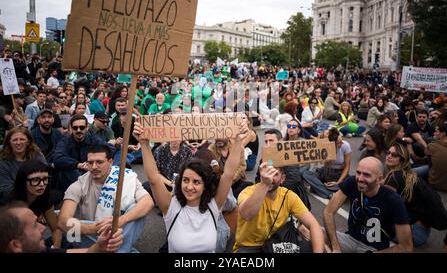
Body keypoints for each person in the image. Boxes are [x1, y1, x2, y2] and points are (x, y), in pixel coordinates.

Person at [134, 118, 248, 253]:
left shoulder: (214, 205)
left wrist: (238, 140)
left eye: (196, 182)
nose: (189, 186)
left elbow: (228, 174)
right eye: (186, 180)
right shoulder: (170, 207)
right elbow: (153, 179)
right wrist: (144, 144)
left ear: (205, 185)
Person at [58, 145, 153, 253]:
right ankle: (122, 250)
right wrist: (98, 228)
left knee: (136, 208)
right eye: (90, 162)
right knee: (73, 227)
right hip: (93, 235)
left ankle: (118, 249)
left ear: (110, 162)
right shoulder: (79, 184)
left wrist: (119, 222)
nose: (94, 167)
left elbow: (148, 202)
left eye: (99, 162)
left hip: (119, 232)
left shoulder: (125, 177)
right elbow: (62, 221)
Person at [323, 157, 413, 253]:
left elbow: (406, 247)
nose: (360, 179)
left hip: (373, 249)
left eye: (366, 175)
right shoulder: (352, 183)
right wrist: (336, 247)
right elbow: (328, 212)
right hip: (350, 240)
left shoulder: (393, 200)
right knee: (318, 233)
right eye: (358, 172)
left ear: (379, 179)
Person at [233, 162, 324, 253]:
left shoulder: (288, 196)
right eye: (267, 172)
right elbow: (247, 214)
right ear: (261, 175)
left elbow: (314, 225)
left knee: (316, 247)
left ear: (282, 178)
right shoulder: (248, 192)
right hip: (250, 247)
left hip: (275, 244)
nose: (270, 178)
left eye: (275, 174)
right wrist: (265, 184)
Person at [383, 143, 447, 247]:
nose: (389, 156)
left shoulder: (393, 177)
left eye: (394, 155)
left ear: (402, 159)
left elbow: (384, 207)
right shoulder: (410, 174)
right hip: (423, 233)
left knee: (371, 222)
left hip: (412, 235)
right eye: (388, 153)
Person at [0, 201, 123, 253]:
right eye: (34, 226)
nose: (43, 228)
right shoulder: (78, 183)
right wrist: (95, 229)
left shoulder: (35, 249)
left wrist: (100, 246)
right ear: (16, 245)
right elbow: (63, 222)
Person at [53, 114, 113, 193]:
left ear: (87, 127)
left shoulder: (94, 140)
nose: (78, 130)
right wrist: (78, 164)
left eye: (82, 127)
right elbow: (57, 158)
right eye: (75, 128)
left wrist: (94, 161)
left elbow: (110, 149)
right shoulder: (65, 141)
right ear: (71, 128)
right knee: (68, 169)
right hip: (71, 179)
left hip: (90, 172)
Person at [10, 160, 63, 248]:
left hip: (33, 240)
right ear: (23, 181)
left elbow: (56, 229)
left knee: (68, 239)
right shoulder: (11, 204)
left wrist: (55, 248)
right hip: (16, 244)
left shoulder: (44, 198)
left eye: (45, 179)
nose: (42, 184)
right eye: (35, 180)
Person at [0, 127, 47, 204]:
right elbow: (6, 191)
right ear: (9, 142)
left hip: (38, 194)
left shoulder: (37, 155)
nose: (18, 143)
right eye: (15, 140)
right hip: (11, 200)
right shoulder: (3, 161)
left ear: (28, 142)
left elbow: (46, 176)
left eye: (22, 139)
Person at [302, 128, 351, 199]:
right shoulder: (325, 146)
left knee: (348, 185)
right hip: (326, 172)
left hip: (339, 174)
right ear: (331, 144)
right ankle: (328, 193)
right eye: (339, 143)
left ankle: (319, 188)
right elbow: (320, 164)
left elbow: (347, 167)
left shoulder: (346, 145)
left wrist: (338, 182)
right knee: (306, 174)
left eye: (341, 141)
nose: (342, 144)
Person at [426, 121, 447, 192]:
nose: (434, 133)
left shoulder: (432, 145)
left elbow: (426, 154)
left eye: (436, 131)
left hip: (435, 184)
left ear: (443, 134)